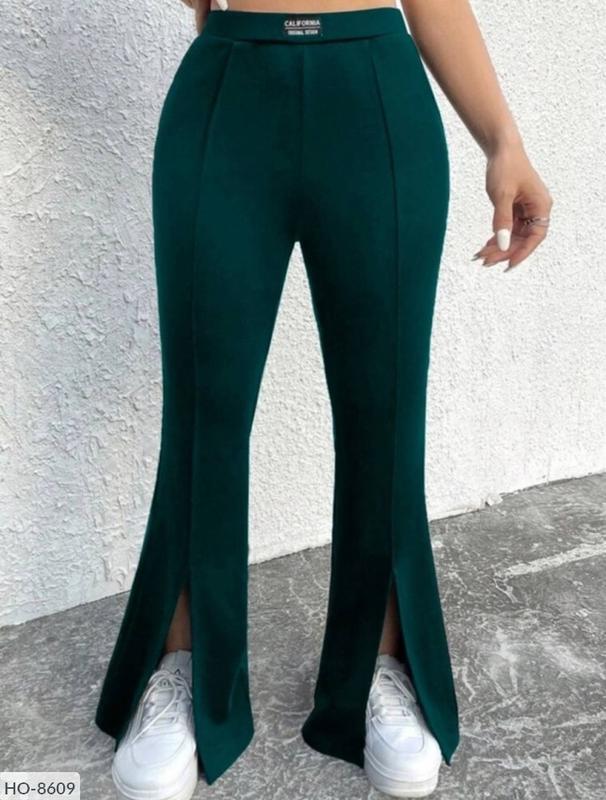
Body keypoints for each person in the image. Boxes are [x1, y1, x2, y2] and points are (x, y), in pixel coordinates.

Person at [95, 0, 552, 797]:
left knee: (385, 417)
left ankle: (378, 667)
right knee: (204, 415)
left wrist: (503, 141)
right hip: (229, 93)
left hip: (376, 96)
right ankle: (187, 666)